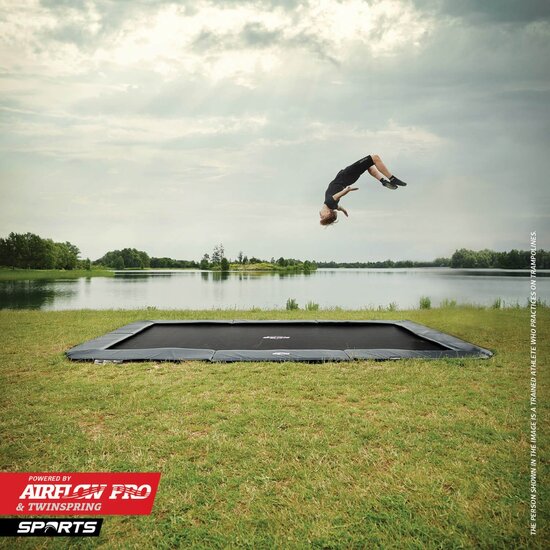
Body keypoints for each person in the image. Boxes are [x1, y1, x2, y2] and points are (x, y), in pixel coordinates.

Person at [319, 154, 407, 226]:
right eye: (323, 217)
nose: (321, 216)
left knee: (369, 166)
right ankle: (392, 178)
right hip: (347, 175)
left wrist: (344, 211)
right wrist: (347, 190)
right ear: (328, 212)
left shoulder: (332, 206)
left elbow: (339, 208)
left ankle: (382, 181)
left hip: (349, 179)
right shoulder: (329, 202)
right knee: (374, 158)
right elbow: (337, 195)